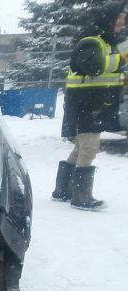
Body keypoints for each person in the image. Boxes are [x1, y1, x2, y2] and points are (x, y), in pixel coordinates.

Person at [52, 2, 127, 209]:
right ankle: (81, 196)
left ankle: (63, 190)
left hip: (93, 104)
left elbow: (109, 75)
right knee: (90, 148)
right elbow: (95, 66)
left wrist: (123, 74)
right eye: (119, 17)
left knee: (80, 148)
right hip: (85, 105)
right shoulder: (91, 41)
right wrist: (121, 58)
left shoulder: (108, 43)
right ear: (109, 19)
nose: (123, 21)